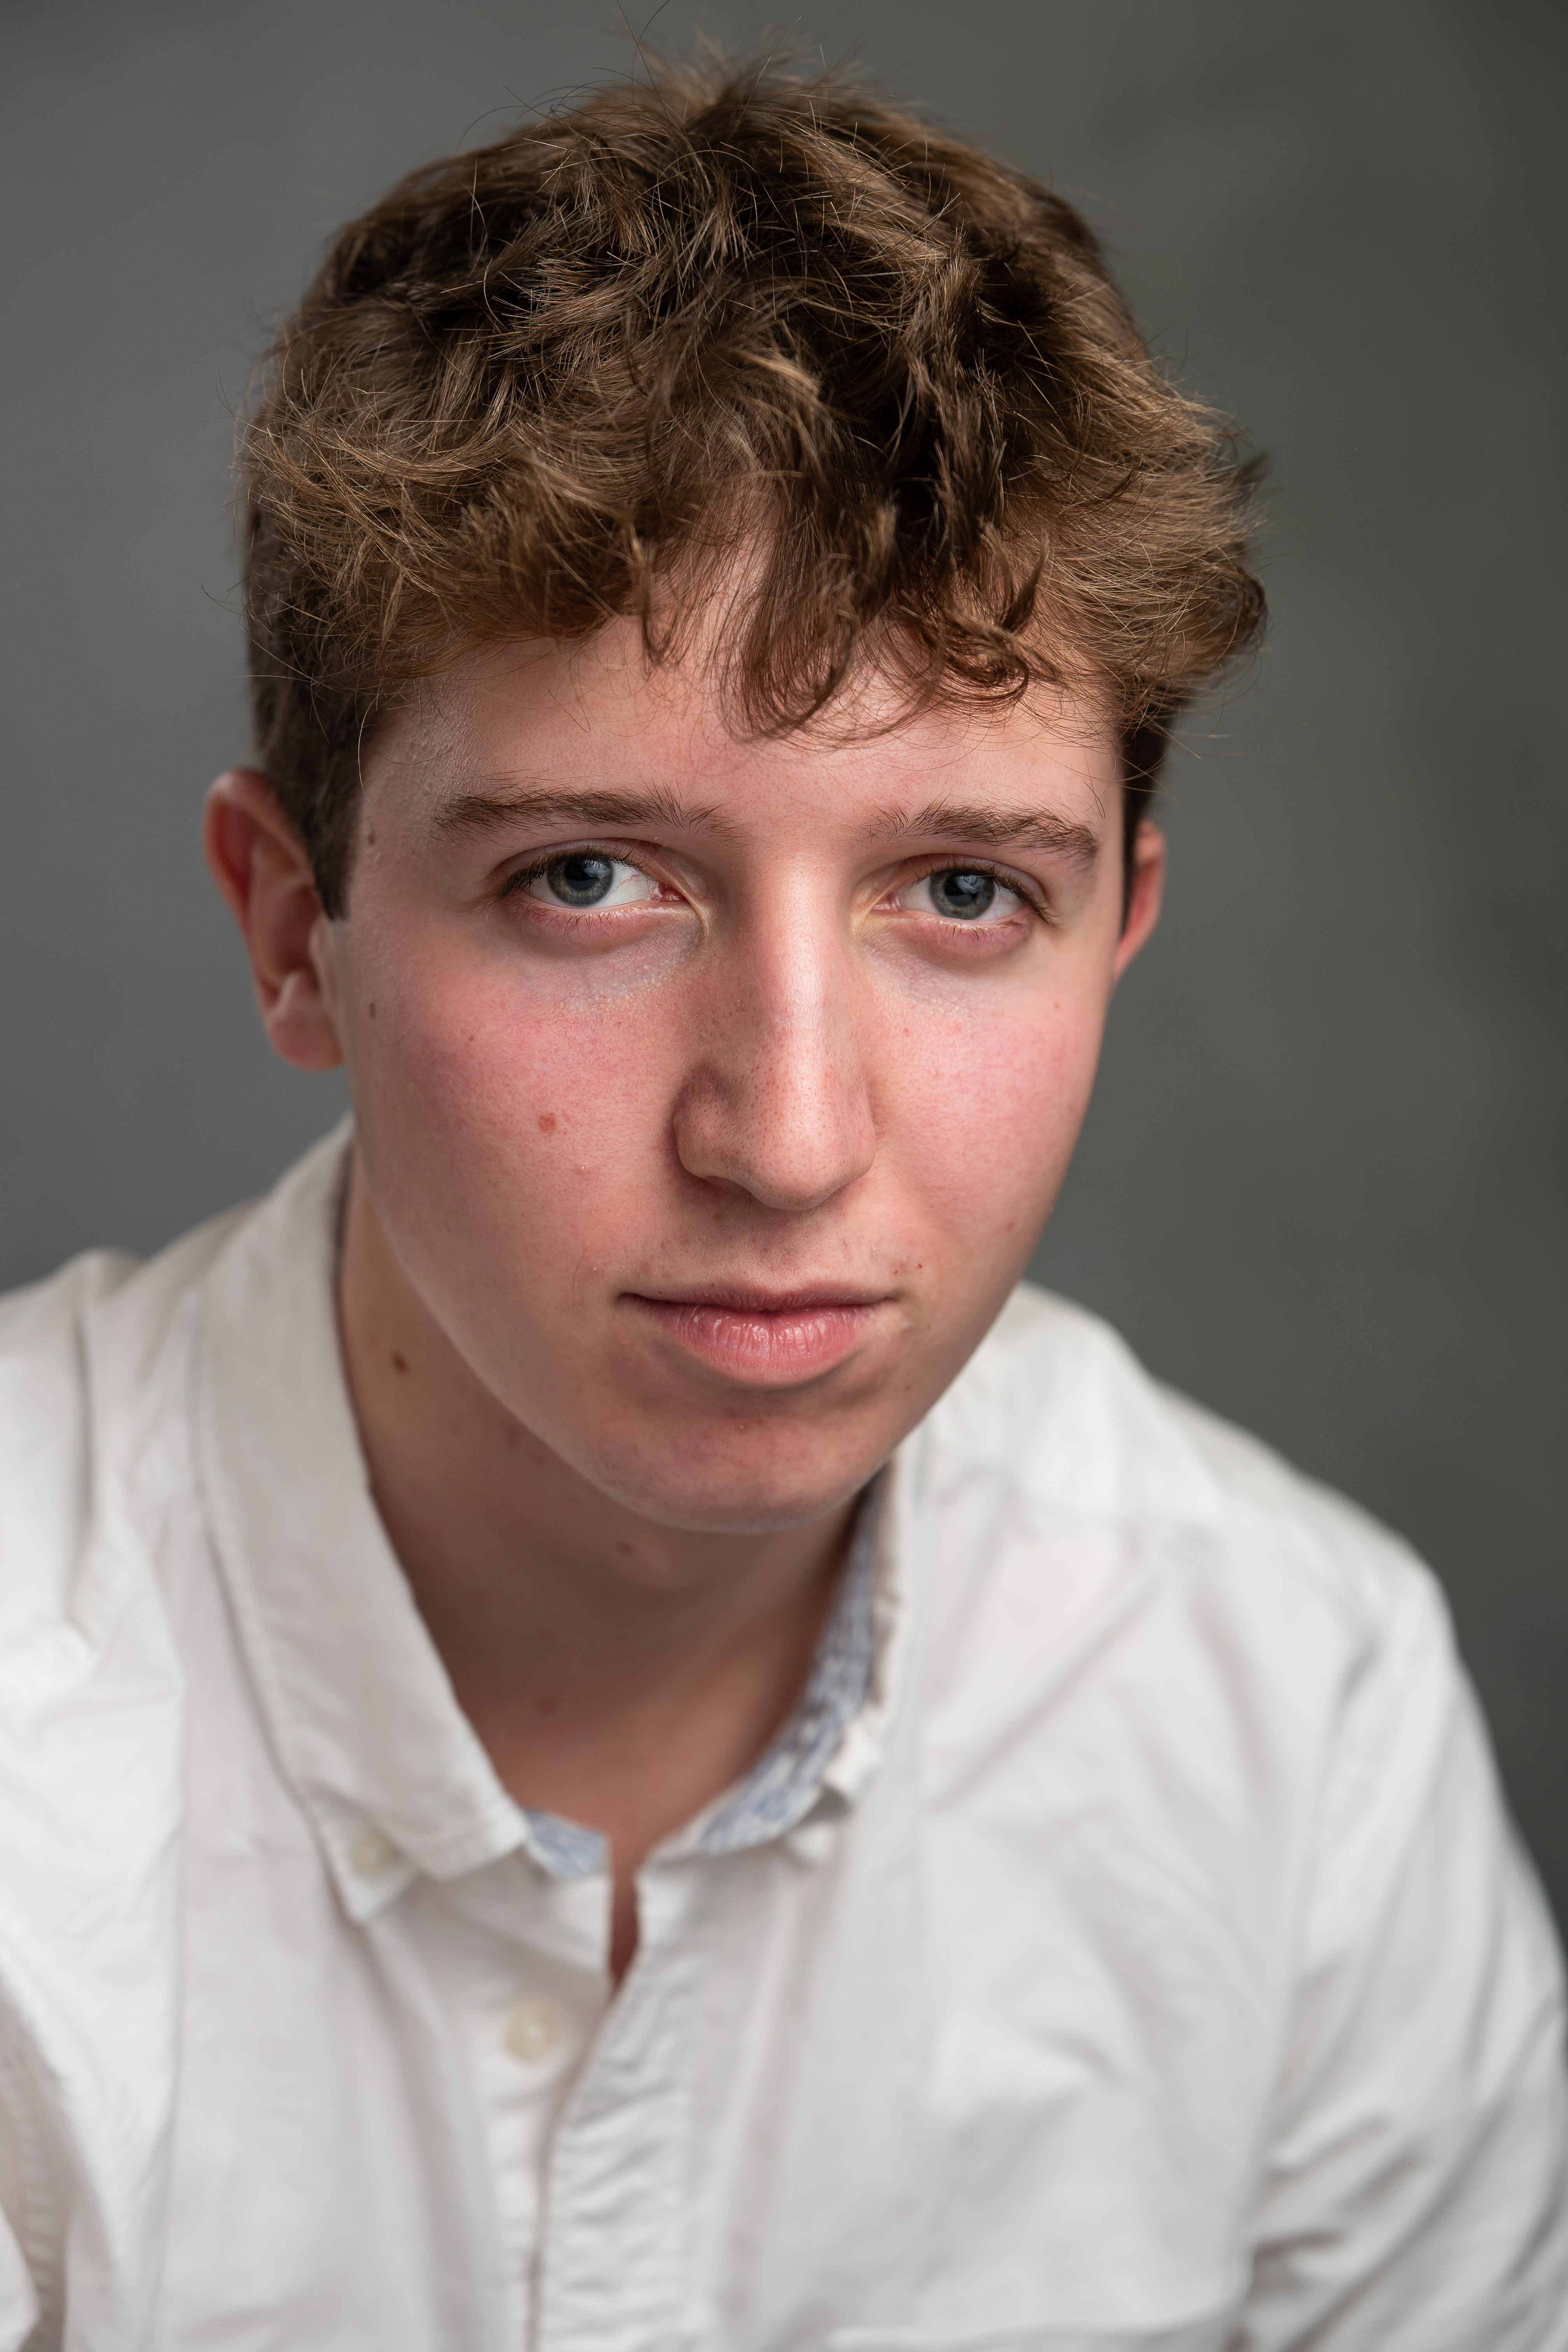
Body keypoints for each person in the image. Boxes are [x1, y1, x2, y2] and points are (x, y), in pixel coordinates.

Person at [0, 57, 1562, 2352]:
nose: (791, 1136)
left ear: (1116, 935)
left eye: (962, 891)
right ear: (292, 930)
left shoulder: (1295, 1718)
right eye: (590, 880)